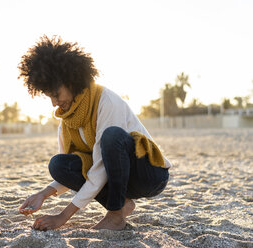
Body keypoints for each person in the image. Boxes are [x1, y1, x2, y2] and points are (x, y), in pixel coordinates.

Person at [18, 36, 171, 231]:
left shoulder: (106, 102)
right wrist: (43, 194)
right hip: (119, 177)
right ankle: (123, 204)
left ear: (71, 81)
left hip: (149, 174)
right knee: (59, 164)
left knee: (112, 136)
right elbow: (77, 172)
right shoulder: (67, 122)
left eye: (56, 95)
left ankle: (116, 215)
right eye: (50, 97)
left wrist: (62, 217)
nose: (54, 103)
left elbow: (99, 169)